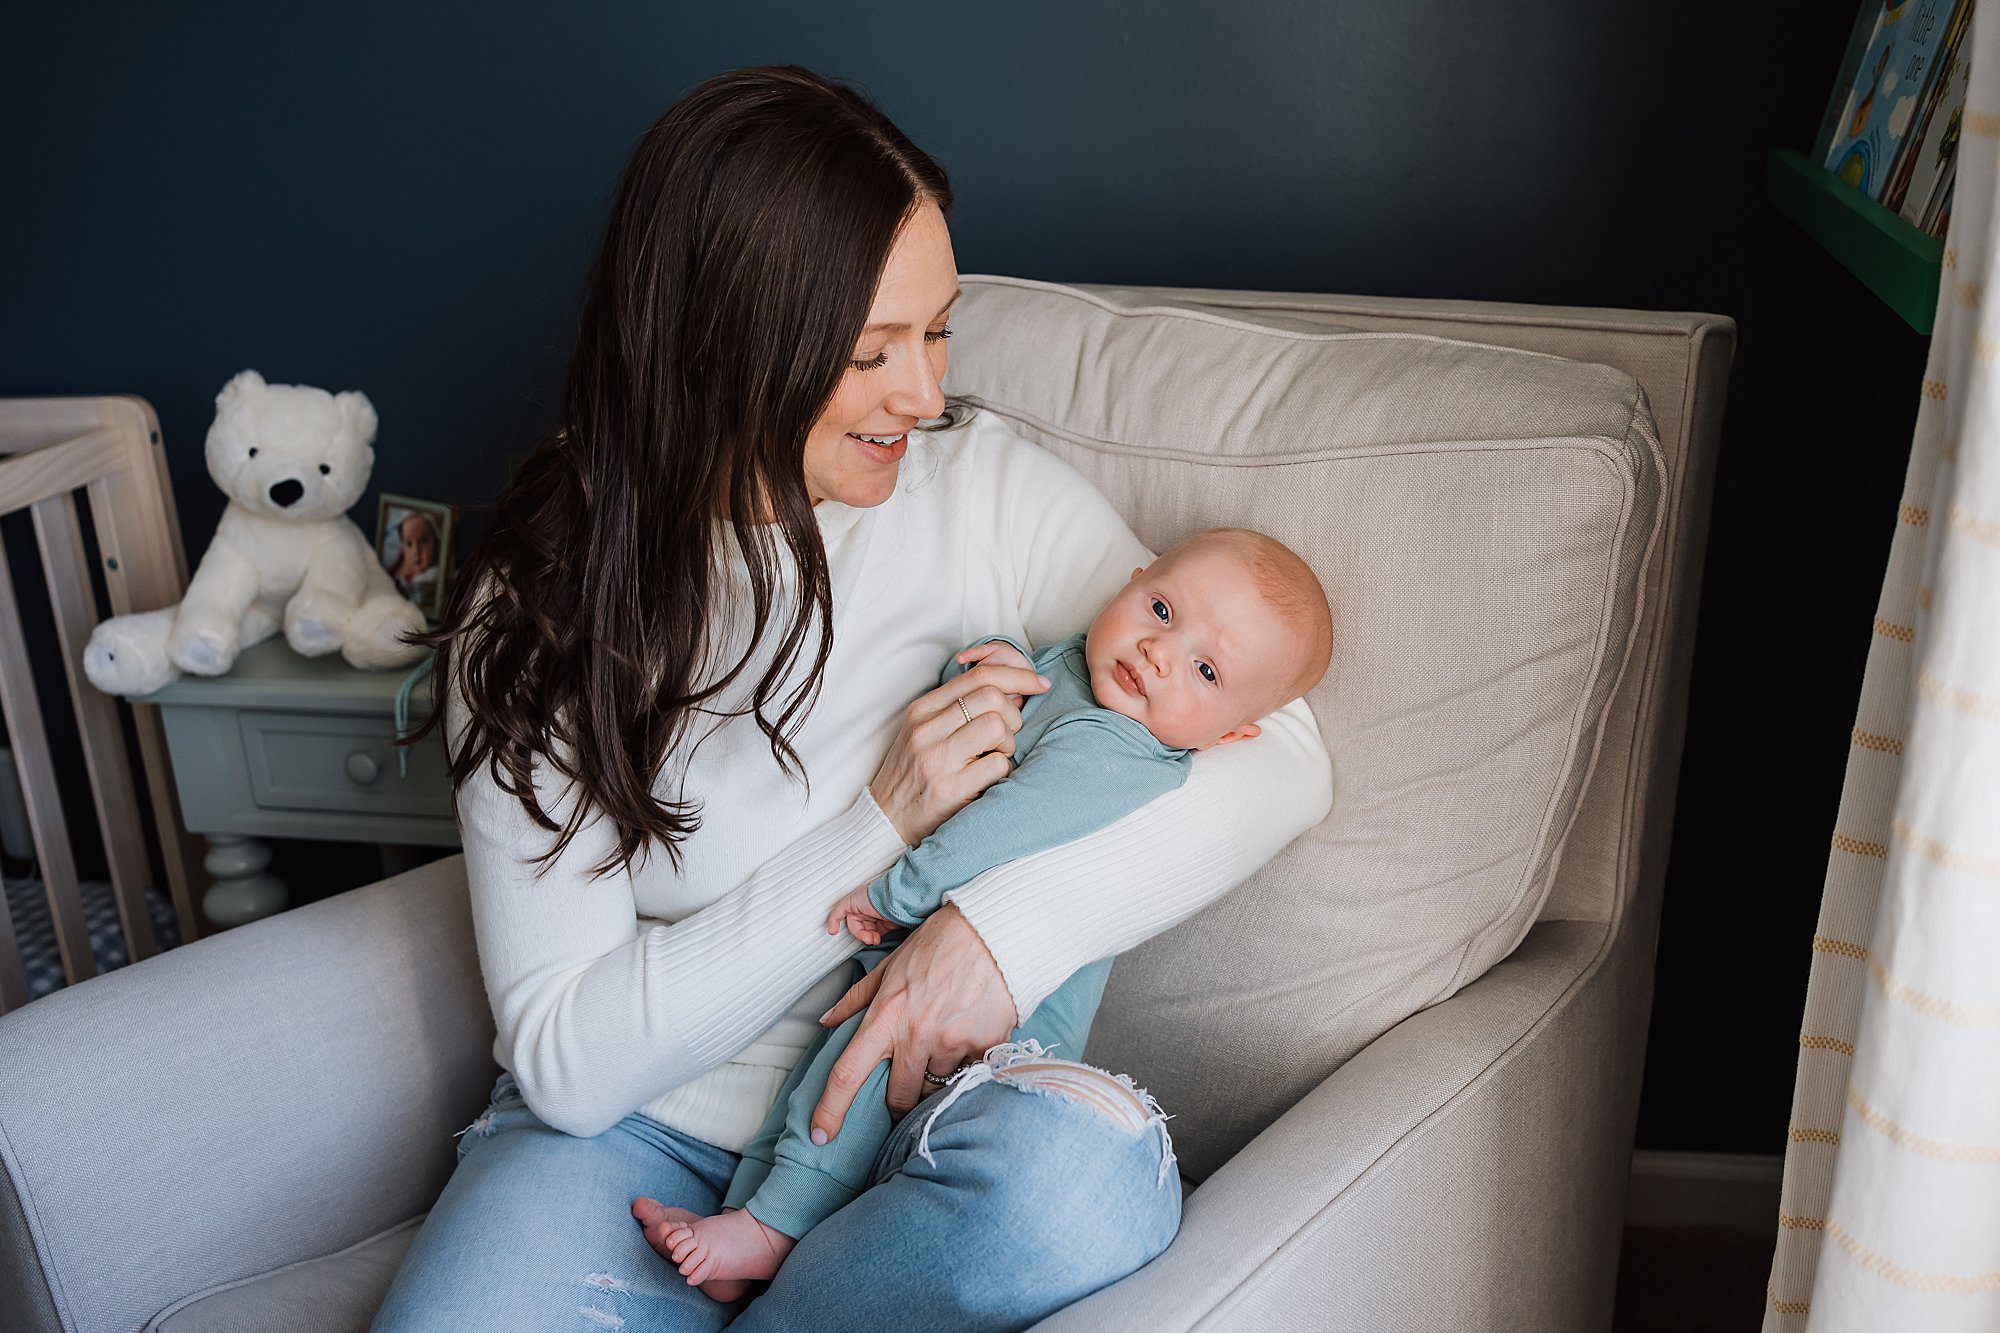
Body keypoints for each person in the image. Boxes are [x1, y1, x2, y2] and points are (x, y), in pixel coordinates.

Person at [370, 65, 1331, 1333]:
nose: (924, 395)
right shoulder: (539, 611)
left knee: (1082, 1192)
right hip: (636, 1140)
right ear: (722, 341)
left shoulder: (976, 489)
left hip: (922, 1122)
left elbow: (1282, 754)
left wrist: (997, 937)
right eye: (873, 350)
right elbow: (567, 1059)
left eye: (937, 333)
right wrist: (881, 821)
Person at [651, 528, 1335, 1300]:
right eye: (1162, 608)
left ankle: (774, 1231)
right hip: (921, 953)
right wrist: (984, 667)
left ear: (1234, 733)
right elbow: (968, 726)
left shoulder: (1119, 753)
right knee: (821, 1069)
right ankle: (748, 1222)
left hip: (996, 1022)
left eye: (1206, 670)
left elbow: (997, 824)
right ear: (1134, 578)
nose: (1159, 652)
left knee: (864, 1069)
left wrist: (893, 892)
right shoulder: (1068, 668)